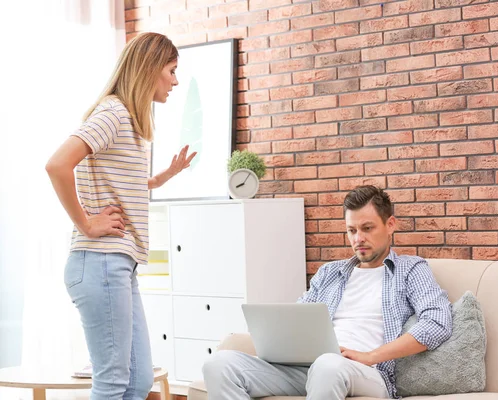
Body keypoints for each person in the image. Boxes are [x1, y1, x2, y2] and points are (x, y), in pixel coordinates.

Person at [45, 32, 196, 400]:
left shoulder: (128, 120)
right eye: (172, 70)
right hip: (99, 261)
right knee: (113, 382)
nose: (175, 81)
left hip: (118, 265)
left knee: (138, 379)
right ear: (149, 69)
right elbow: (57, 165)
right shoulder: (113, 112)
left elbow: (115, 178)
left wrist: (158, 179)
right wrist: (86, 223)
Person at [202, 185, 453, 399]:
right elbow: (298, 317)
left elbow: (437, 322)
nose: (358, 239)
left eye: (367, 228)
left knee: (328, 365)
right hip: (310, 367)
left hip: (368, 372)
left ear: (390, 225)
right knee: (219, 364)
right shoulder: (330, 273)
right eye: (351, 230)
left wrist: (370, 356)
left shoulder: (410, 269)